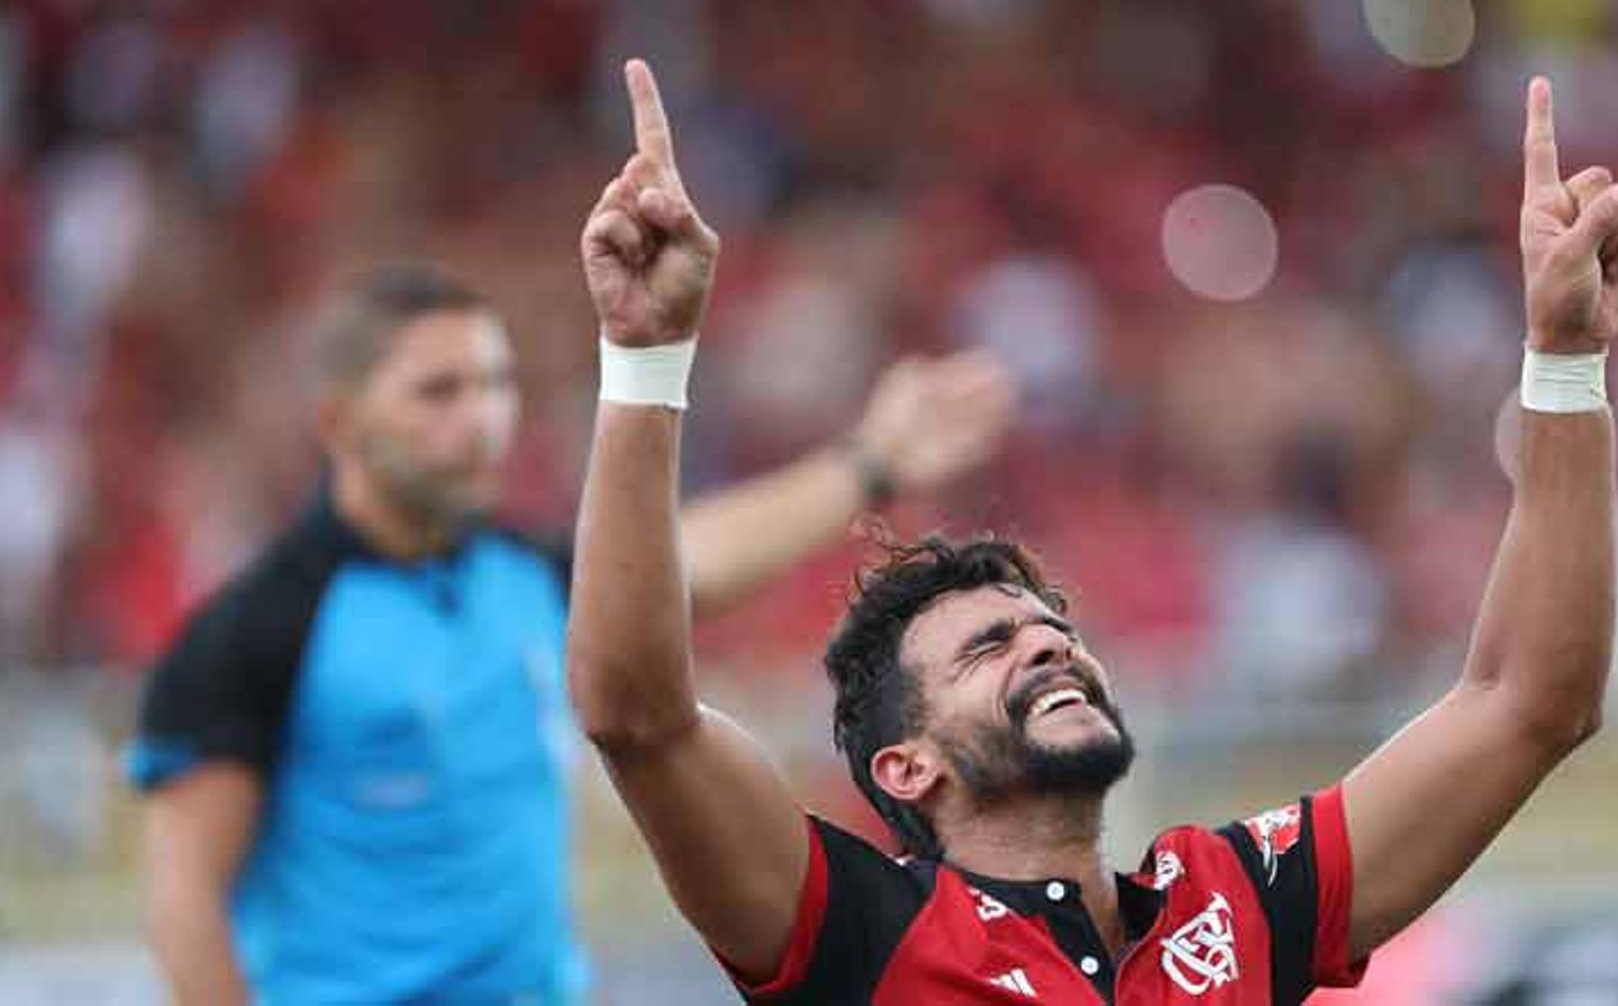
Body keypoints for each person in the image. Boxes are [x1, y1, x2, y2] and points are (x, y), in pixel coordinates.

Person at [566, 59, 1618, 1004]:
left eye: (1049, 625)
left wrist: (1563, 361)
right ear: (905, 767)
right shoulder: (856, 933)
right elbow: (637, 714)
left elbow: (1529, 701)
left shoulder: (1231, 906)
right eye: (991, 647)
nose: (1049, 641)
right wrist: (647, 359)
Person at [126, 263, 1016, 1004]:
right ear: (339, 419)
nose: (480, 419)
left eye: (494, 385)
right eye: (439, 391)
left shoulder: (520, 577)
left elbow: (687, 565)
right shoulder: (259, 627)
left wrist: (870, 463)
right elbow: (184, 898)